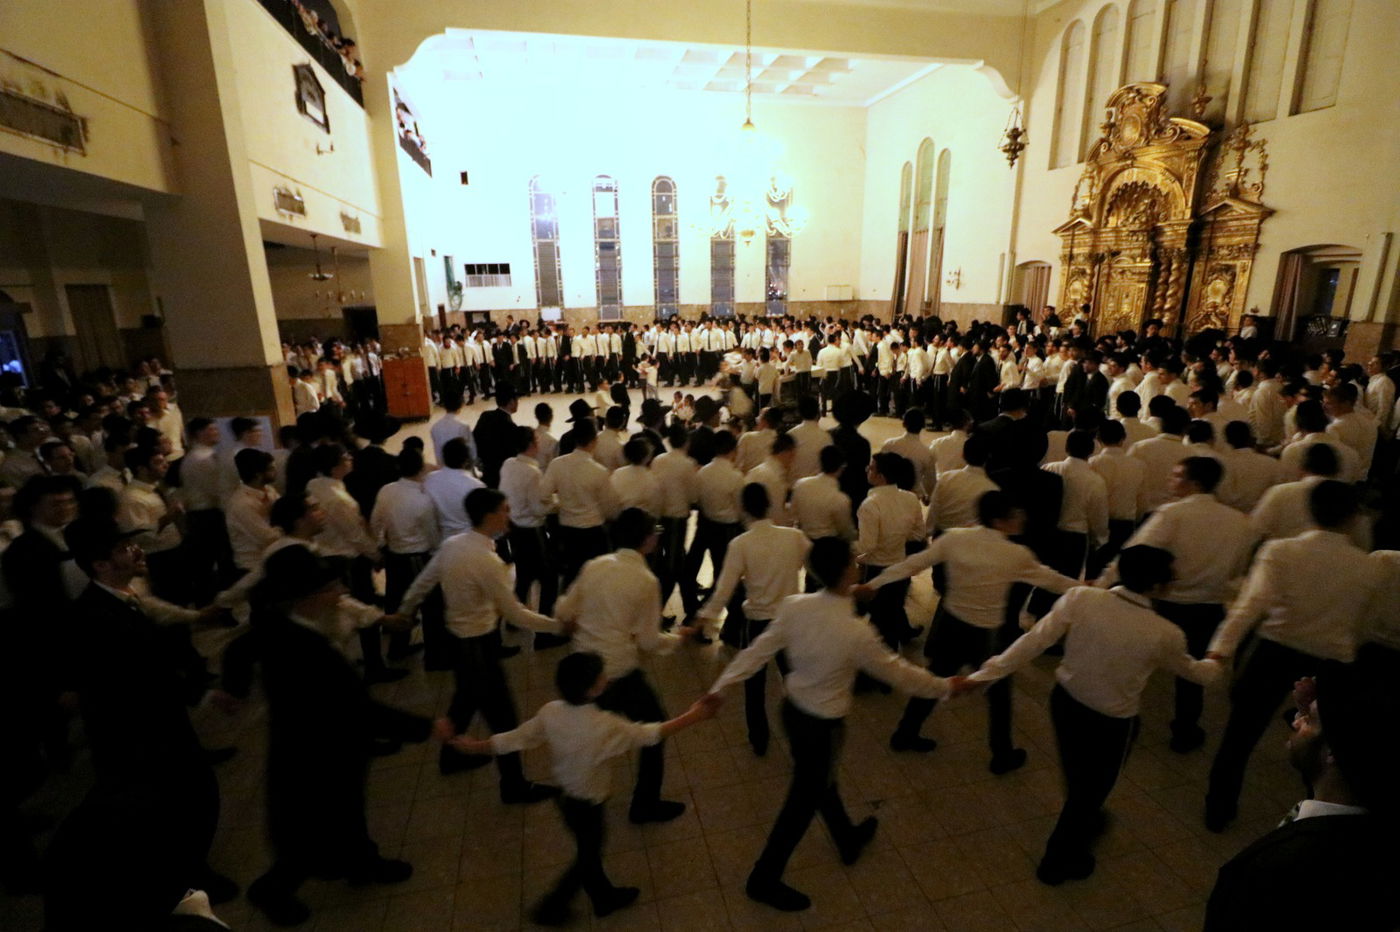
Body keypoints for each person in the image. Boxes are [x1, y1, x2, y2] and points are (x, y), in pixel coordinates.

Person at [708, 537, 953, 912]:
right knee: (801, 803)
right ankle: (764, 877)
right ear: (845, 571)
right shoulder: (856, 632)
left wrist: (722, 685)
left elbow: (758, 650)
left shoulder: (795, 607)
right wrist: (947, 686)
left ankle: (847, 837)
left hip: (793, 713)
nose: (857, 565)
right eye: (853, 562)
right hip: (823, 724)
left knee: (821, 780)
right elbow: (900, 675)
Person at [960, 546, 1222, 884]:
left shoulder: (1081, 599)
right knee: (1092, 790)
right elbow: (1196, 674)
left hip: (1066, 703)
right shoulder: (1165, 633)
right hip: (1112, 721)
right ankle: (1056, 861)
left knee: (1078, 776)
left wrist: (981, 675)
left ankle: (1084, 816)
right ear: (1157, 587)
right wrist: (1217, 658)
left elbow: (1032, 642)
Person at [220, 546, 427, 926]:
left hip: (327, 739)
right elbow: (358, 707)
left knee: (346, 808)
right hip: (315, 747)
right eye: (332, 587)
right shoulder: (303, 645)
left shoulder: (281, 622)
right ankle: (272, 890)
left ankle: (362, 863)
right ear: (308, 596)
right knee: (313, 827)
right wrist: (426, 728)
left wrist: (234, 688)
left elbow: (238, 651)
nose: (340, 593)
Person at [445, 652, 720, 926]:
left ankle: (603, 898)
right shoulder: (603, 726)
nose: (606, 677)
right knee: (587, 857)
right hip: (589, 804)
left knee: (589, 852)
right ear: (592, 688)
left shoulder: (551, 712)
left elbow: (517, 738)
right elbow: (650, 734)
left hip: (565, 800)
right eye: (601, 675)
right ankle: (552, 907)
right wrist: (695, 715)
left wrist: (476, 746)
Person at [64, 518, 236, 909]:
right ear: (100, 565)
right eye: (124, 549)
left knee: (188, 796)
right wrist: (202, 695)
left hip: (155, 724)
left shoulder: (120, 597)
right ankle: (185, 877)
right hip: (141, 734)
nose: (137, 551)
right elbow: (138, 677)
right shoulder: (97, 614)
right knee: (184, 800)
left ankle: (187, 870)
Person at [1203, 481, 1389, 832]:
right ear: (1353, 518)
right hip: (1332, 662)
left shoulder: (1281, 551)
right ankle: (1316, 818)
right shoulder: (1367, 567)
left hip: (1274, 652)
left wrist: (1220, 649)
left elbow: (1248, 607)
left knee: (1240, 736)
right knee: (1330, 748)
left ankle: (1219, 806)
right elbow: (1364, 624)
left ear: (1311, 512)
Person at [856, 491, 1079, 764]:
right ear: (1000, 520)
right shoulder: (1016, 554)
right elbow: (1052, 580)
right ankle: (1002, 754)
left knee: (935, 681)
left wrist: (873, 584)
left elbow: (913, 564)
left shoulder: (955, 539)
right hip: (986, 634)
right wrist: (1086, 588)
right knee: (998, 693)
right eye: (1015, 514)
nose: (1021, 517)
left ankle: (905, 733)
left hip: (951, 626)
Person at [398, 488, 565, 797]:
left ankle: (451, 757)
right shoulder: (487, 560)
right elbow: (517, 614)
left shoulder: (452, 546)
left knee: (464, 701)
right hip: (479, 645)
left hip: (459, 643)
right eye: (504, 509)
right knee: (503, 717)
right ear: (490, 515)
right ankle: (513, 785)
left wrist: (404, 611)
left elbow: (422, 583)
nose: (508, 514)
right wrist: (559, 624)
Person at [1204, 669, 1400, 931]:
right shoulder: (1371, 827)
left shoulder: (1278, 870)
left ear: (1333, 751)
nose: (1295, 722)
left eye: (1309, 719)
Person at [1099, 456, 1255, 753]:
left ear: (1193, 483)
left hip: (1167, 603)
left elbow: (1133, 554)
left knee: (1138, 661)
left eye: (1176, 476)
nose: (1170, 482)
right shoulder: (1240, 522)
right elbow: (1237, 570)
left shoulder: (1172, 513)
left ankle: (1121, 717)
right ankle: (1185, 730)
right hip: (1208, 606)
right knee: (1191, 674)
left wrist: (1103, 584)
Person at [556, 508, 689, 823]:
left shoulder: (595, 565)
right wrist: (677, 639)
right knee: (654, 727)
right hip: (616, 671)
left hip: (583, 666)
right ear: (646, 540)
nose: (657, 535)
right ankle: (644, 805)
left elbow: (563, 609)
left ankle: (577, 793)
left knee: (589, 729)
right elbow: (647, 642)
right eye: (654, 532)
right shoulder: (645, 580)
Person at [697, 483, 811, 755]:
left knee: (755, 683)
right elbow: (816, 564)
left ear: (744, 509)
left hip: (759, 622)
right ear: (769, 505)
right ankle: (804, 734)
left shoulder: (741, 544)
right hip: (790, 621)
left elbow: (724, 588)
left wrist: (705, 616)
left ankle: (759, 738)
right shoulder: (793, 537)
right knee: (795, 680)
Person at [370, 447, 441, 664]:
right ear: (421, 468)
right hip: (418, 557)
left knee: (398, 603)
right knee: (431, 606)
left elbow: (375, 523)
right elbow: (432, 537)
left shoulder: (386, 491)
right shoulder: (423, 500)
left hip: (395, 556)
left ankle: (398, 649)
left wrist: (382, 545)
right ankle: (435, 655)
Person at [540, 419, 619, 588]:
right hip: (593, 532)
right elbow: (611, 508)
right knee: (597, 580)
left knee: (571, 577)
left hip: (567, 531)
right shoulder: (599, 471)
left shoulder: (557, 464)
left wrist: (560, 506)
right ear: (594, 440)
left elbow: (543, 495)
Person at [498, 426, 559, 621]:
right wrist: (558, 503)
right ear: (532, 444)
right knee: (548, 578)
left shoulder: (508, 463)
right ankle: (545, 630)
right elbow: (538, 509)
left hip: (513, 526)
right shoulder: (532, 472)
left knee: (524, 574)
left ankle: (514, 618)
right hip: (532, 531)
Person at [423, 437, 484, 537]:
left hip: (439, 537)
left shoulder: (430, 479)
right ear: (467, 460)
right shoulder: (476, 486)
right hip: (468, 538)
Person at [473, 383, 518, 489]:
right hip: (503, 477)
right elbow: (512, 456)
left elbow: (475, 439)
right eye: (517, 400)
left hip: (486, 471)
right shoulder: (511, 427)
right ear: (511, 402)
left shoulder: (485, 416)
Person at [429, 390, 477, 472]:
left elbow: (437, 452)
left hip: (443, 469)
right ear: (461, 405)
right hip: (461, 468)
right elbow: (472, 452)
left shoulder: (435, 427)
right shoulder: (463, 426)